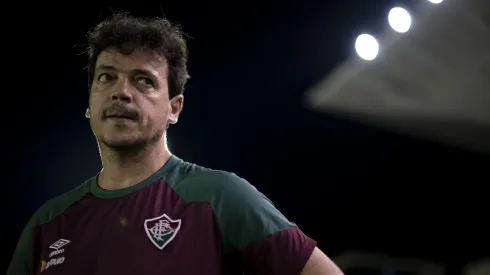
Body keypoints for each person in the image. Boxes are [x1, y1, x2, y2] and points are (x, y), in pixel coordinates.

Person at [7, 13, 344, 275]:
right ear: (90, 101)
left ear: (174, 108)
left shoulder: (220, 196)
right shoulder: (47, 224)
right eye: (106, 77)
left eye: (143, 80)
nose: (121, 91)